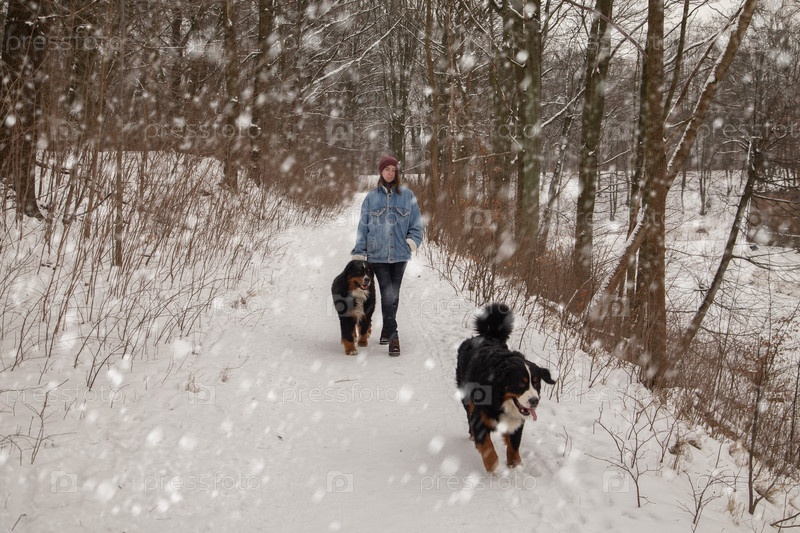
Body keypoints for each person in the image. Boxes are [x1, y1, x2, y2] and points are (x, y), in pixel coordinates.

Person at [351, 155, 424, 356]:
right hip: (377, 255)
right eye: (387, 169)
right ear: (381, 172)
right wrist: (360, 252)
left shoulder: (408, 196)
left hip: (400, 254)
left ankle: (386, 329)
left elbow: (417, 225)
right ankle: (393, 336)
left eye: (393, 169)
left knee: (394, 294)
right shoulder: (371, 198)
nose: (390, 173)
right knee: (387, 293)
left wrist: (411, 243)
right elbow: (363, 228)